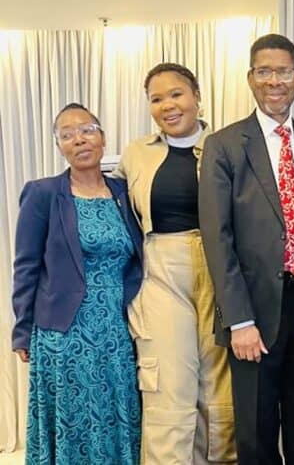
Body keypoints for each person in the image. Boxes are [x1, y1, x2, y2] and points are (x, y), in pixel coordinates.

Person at [198, 34, 294, 465]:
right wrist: (239, 320)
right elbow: (217, 238)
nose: (275, 81)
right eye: (265, 71)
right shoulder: (224, 145)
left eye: (284, 72)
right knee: (256, 431)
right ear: (250, 78)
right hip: (253, 310)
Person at [114, 62, 236, 464]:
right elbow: (106, 201)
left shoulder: (228, 146)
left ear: (197, 96)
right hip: (162, 271)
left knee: (220, 385)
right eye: (156, 99)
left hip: (222, 267)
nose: (167, 105)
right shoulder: (136, 154)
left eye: (176, 94)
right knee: (169, 383)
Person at [11, 103, 143, 463]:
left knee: (116, 413)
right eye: (67, 135)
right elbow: (26, 266)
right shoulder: (43, 194)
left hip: (116, 330)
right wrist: (22, 331)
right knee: (75, 420)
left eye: (87, 130)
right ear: (59, 147)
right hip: (64, 333)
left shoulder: (124, 192)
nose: (79, 140)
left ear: (102, 137)